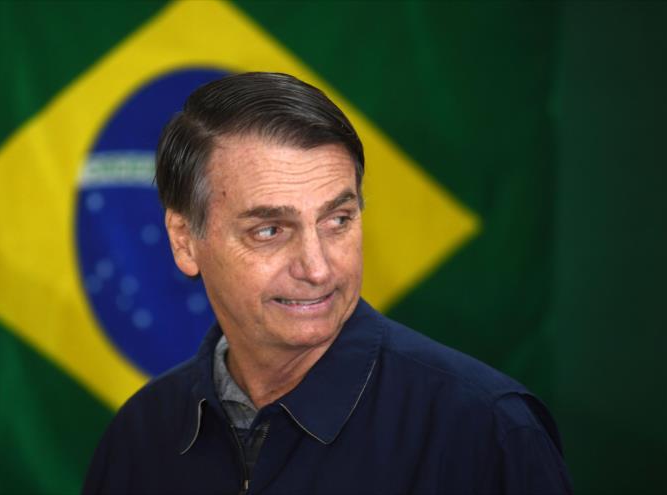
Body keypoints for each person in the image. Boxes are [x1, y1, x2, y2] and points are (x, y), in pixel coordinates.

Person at [83, 72, 572, 494]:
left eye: (338, 219)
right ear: (185, 240)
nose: (318, 269)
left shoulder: (487, 431)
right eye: (270, 230)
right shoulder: (138, 438)